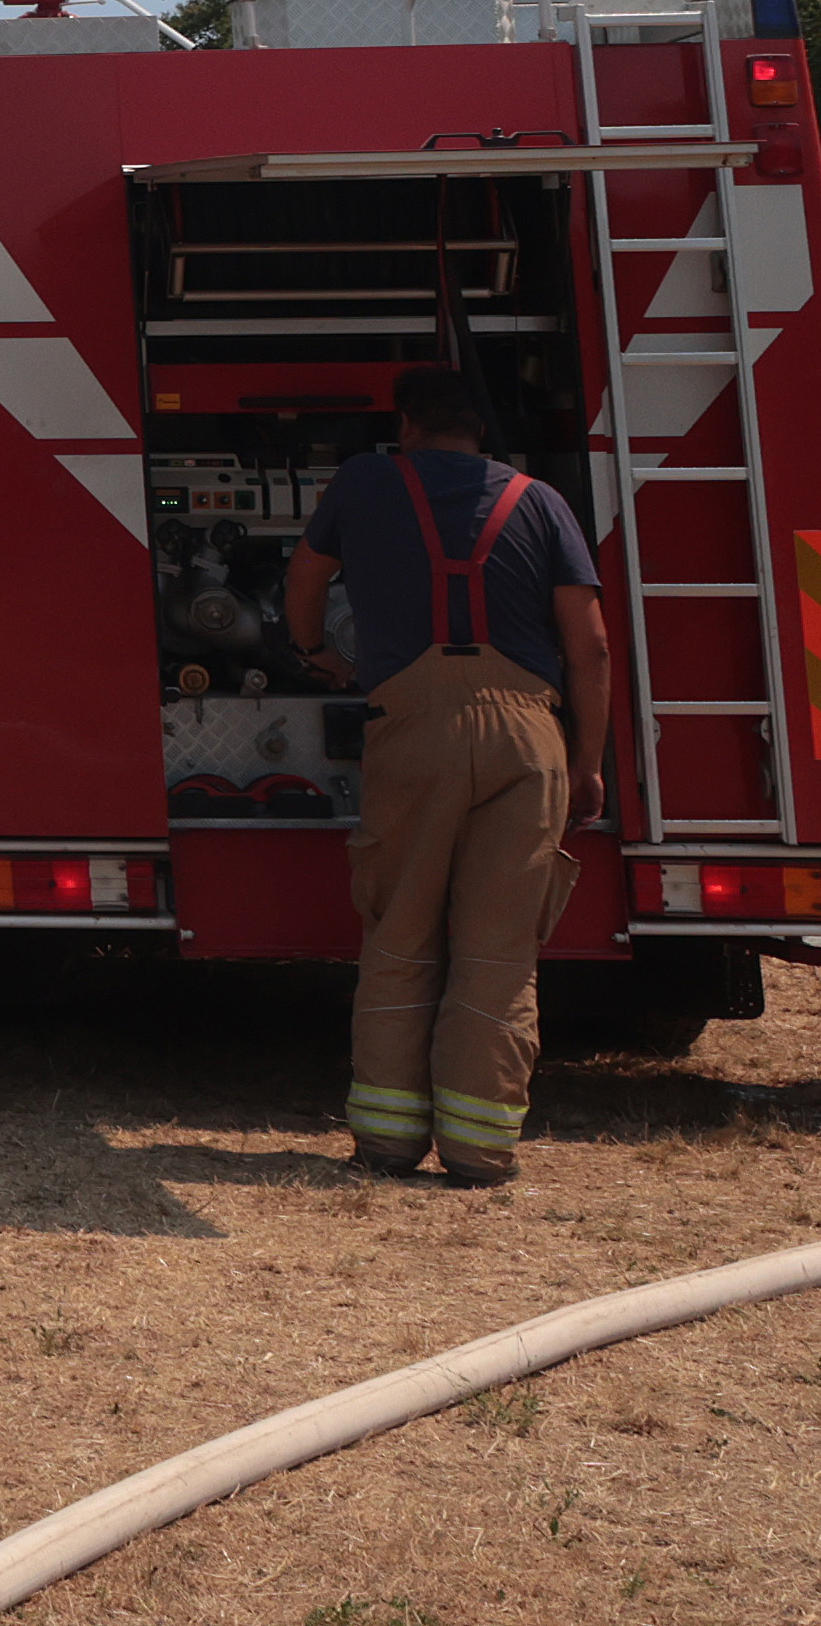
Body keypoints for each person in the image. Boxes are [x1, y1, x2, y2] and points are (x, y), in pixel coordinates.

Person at [285, 367, 611, 1189]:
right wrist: (587, 762)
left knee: (401, 937)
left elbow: (305, 580)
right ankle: (479, 1152)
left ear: (408, 425)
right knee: (500, 953)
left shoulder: (364, 481)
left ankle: (388, 1145)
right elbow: (592, 647)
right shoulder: (541, 502)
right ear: (483, 432)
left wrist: (319, 653)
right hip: (529, 735)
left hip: (414, 728)